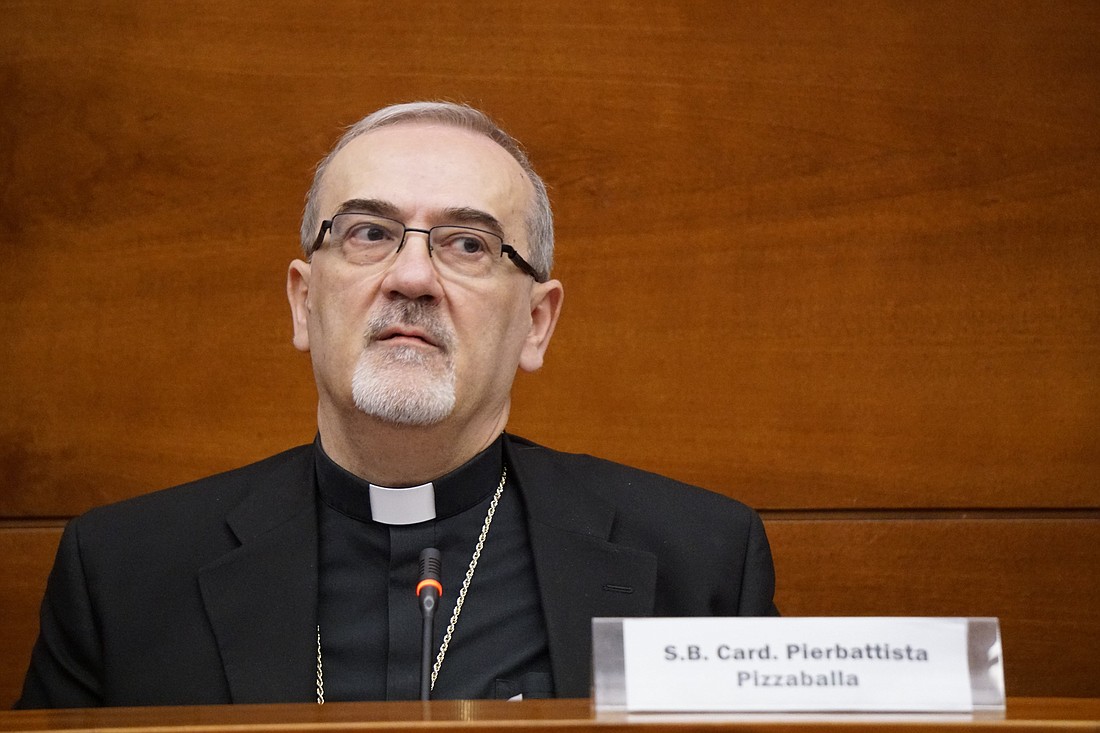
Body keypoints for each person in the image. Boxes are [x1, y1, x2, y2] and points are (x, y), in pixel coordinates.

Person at [16, 102, 777, 709]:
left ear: (536, 324)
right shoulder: (123, 575)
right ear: (303, 301)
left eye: (468, 243)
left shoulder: (699, 565)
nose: (411, 276)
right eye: (369, 232)